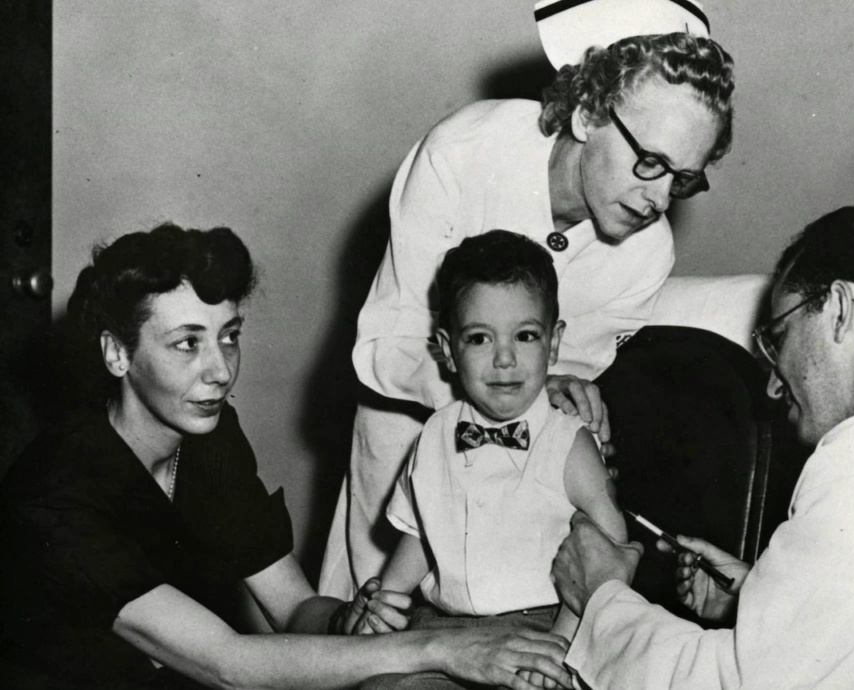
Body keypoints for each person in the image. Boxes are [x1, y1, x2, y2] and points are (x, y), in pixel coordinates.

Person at [0, 224, 573, 690]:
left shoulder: (208, 437)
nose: (221, 370)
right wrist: (444, 646)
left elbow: (294, 609)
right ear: (116, 354)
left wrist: (351, 621)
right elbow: (229, 665)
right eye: (186, 343)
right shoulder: (58, 499)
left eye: (229, 335)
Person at [320, 1, 736, 600]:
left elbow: (564, 379)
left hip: (520, 492)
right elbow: (388, 348)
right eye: (650, 163)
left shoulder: (647, 254)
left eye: (683, 179)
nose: (659, 198)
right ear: (590, 112)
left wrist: (568, 392)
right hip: (407, 446)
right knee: (368, 633)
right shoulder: (462, 155)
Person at [551, 206, 854, 688]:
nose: (775, 387)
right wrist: (760, 596)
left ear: (840, 309)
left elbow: (734, 684)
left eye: (780, 337)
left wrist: (601, 599)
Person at [361, 231, 624, 685]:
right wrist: (388, 599)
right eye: (480, 338)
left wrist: (561, 645)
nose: (505, 359)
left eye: (525, 336)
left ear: (554, 342)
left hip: (545, 626)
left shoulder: (567, 441)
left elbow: (609, 553)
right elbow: (423, 533)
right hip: (442, 625)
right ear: (447, 349)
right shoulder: (436, 434)